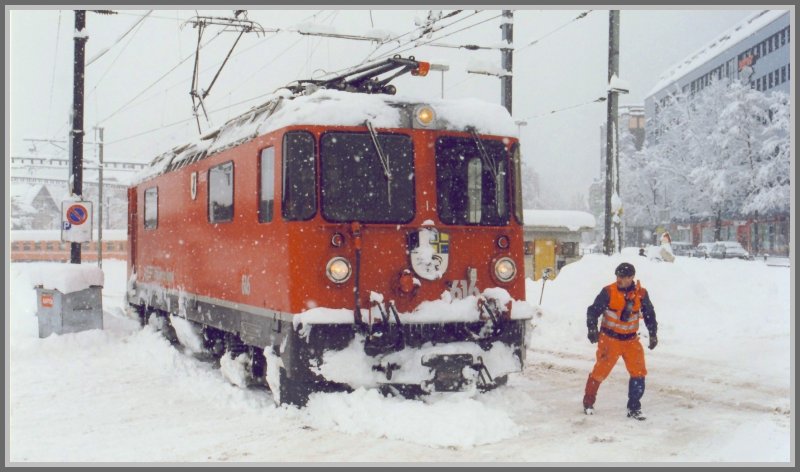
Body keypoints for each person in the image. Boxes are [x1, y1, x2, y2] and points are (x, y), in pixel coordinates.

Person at [582, 262, 658, 420]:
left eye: (623, 277)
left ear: (631, 277)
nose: (619, 279)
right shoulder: (608, 291)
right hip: (610, 340)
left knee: (639, 372)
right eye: (617, 276)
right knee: (600, 372)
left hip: (631, 340)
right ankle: (588, 402)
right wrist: (592, 328)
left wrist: (653, 333)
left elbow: (649, 314)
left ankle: (634, 407)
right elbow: (593, 311)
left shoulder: (641, 294)